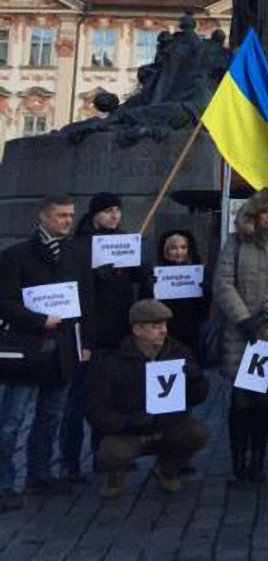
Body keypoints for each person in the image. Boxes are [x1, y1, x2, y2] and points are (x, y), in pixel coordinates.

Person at [0, 195, 93, 509]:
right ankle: (4, 483)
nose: (67, 220)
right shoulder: (15, 256)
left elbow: (85, 304)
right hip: (25, 352)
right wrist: (41, 319)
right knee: (11, 421)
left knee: (49, 418)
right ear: (43, 217)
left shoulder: (77, 253)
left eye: (70, 215)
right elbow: (5, 303)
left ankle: (39, 474)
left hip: (63, 351)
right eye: (60, 215)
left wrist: (85, 344)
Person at [214, 188, 268, 485]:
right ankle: (238, 461)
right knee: (240, 401)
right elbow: (224, 282)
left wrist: (267, 313)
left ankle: (258, 461)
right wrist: (243, 319)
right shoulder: (237, 241)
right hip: (240, 333)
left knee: (263, 400)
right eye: (264, 211)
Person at [86, 300, 208, 498]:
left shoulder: (178, 351)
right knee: (112, 452)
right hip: (130, 431)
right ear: (137, 330)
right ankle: (114, 476)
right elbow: (95, 410)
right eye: (155, 326)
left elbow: (198, 397)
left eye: (164, 325)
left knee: (197, 433)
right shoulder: (113, 362)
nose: (163, 331)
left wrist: (197, 379)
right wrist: (128, 422)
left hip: (168, 426)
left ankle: (168, 471)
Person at [60, 192, 139, 481]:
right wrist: (94, 274)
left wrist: (145, 273)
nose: (114, 215)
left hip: (118, 332)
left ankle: (104, 456)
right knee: (79, 401)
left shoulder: (125, 242)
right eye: (107, 211)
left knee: (112, 400)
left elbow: (137, 278)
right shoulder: (79, 245)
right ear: (94, 214)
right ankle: (69, 462)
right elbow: (72, 288)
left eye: (117, 210)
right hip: (89, 335)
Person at [142, 229, 209, 358]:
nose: (179, 253)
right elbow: (144, 306)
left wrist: (206, 291)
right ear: (164, 250)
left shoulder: (200, 273)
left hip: (191, 331)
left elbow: (205, 310)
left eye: (183, 247)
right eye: (173, 248)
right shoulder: (154, 273)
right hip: (163, 331)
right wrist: (149, 287)